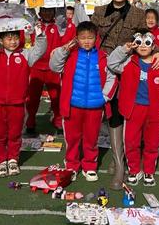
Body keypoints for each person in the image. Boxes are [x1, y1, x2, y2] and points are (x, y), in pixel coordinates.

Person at [74, 0, 159, 190]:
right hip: (103, 67)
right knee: (107, 111)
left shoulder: (138, 14)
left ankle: (121, 164)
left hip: (128, 68)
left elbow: (148, 38)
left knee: (124, 112)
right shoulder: (98, 12)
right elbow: (87, 36)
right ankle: (114, 159)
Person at [0, 20, 47, 177]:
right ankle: (1, 161)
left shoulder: (25, 55)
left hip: (18, 103)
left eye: (15, 38)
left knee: (15, 133)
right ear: (1, 40)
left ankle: (13, 159)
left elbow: (40, 50)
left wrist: (40, 34)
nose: (13, 42)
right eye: (8, 38)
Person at [50, 21, 117, 181]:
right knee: (72, 139)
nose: (87, 41)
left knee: (91, 138)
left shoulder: (103, 57)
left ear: (96, 39)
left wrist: (103, 97)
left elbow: (112, 78)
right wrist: (65, 49)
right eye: (83, 38)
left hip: (95, 107)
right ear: (77, 39)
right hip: (73, 106)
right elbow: (54, 66)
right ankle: (72, 165)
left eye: (90, 38)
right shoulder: (70, 55)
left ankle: (89, 165)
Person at [104, 29, 159, 187]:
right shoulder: (129, 61)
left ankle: (148, 170)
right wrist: (124, 49)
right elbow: (112, 63)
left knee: (152, 142)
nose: (143, 46)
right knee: (131, 142)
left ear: (153, 46)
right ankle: (134, 170)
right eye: (139, 43)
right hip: (133, 109)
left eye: (147, 43)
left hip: (154, 110)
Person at [25, 7, 63, 135]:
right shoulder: (35, 25)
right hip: (36, 68)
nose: (47, 13)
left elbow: (62, 15)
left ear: (54, 12)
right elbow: (28, 13)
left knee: (56, 97)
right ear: (39, 12)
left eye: (50, 10)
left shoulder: (58, 26)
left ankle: (58, 121)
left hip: (53, 68)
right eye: (44, 10)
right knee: (33, 98)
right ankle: (30, 121)